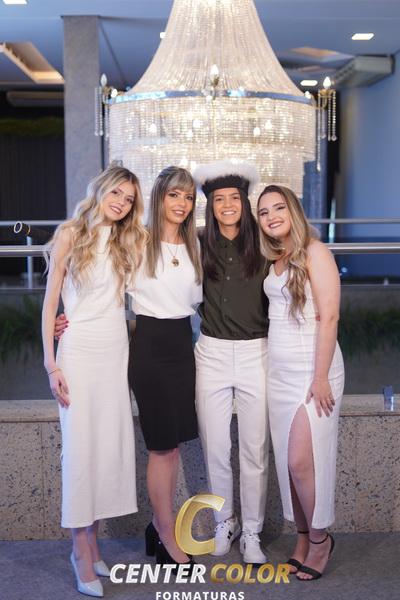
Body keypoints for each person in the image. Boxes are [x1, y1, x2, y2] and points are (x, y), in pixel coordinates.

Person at [42, 165, 147, 597]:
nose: (121, 202)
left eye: (129, 199)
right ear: (100, 190)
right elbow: (50, 302)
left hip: (114, 354)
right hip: (79, 353)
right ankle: (80, 552)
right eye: (116, 193)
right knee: (81, 452)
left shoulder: (128, 240)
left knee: (105, 450)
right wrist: (51, 365)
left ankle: (94, 543)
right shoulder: (70, 234)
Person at [257, 184, 345, 581]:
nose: (271, 216)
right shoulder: (274, 257)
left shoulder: (315, 251)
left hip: (314, 370)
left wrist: (321, 377)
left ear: (293, 210)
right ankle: (303, 537)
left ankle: (321, 539)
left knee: (301, 459)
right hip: (279, 372)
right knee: (288, 463)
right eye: (264, 212)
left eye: (278, 208)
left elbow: (330, 316)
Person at [192, 160, 269, 565]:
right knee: (216, 447)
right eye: (219, 199)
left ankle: (252, 530)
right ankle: (226, 522)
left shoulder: (264, 243)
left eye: (234, 198)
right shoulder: (197, 243)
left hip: (258, 352)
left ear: (244, 201)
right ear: (210, 205)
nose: (227, 205)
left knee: (255, 449)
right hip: (212, 353)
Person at [127, 166, 202, 569]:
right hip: (150, 347)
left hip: (181, 346)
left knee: (172, 446)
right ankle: (166, 531)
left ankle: (158, 526)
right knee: (160, 446)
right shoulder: (137, 241)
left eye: (188, 197)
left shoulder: (194, 246)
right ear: (159, 197)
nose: (182, 203)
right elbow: (101, 285)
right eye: (174, 194)